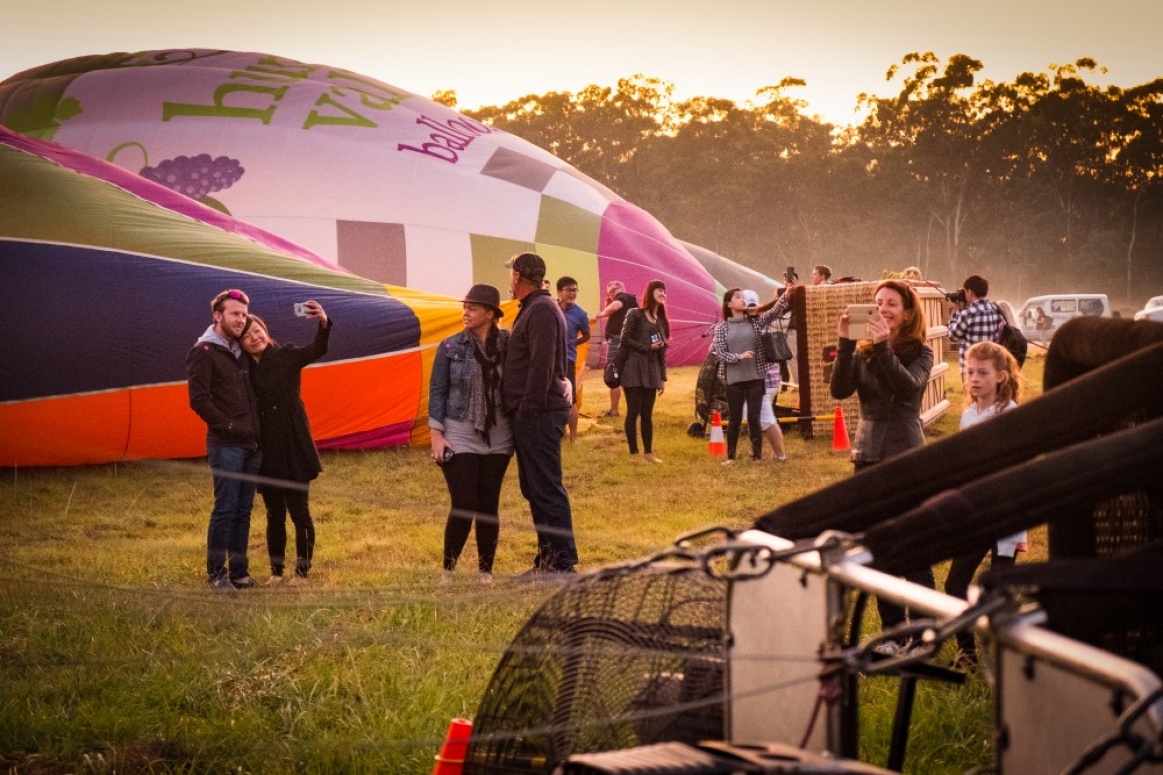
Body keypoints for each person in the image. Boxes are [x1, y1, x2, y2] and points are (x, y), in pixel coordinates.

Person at [830, 279, 935, 644]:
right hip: (867, 455)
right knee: (878, 548)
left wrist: (882, 347)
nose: (884, 310)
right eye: (878, 303)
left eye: (891, 303)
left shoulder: (921, 352)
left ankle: (922, 634)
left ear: (907, 312)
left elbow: (907, 388)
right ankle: (893, 633)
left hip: (905, 454)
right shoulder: (862, 350)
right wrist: (846, 342)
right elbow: (839, 390)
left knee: (913, 547)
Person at [944, 340, 1027, 666]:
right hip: (975, 513)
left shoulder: (1011, 415)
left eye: (983, 372)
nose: (974, 378)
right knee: (955, 584)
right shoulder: (967, 416)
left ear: (1002, 376)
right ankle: (968, 653)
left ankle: (1007, 658)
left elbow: (1019, 469)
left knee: (1000, 589)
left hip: (1005, 513)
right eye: (969, 372)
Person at [239, 302, 332, 587]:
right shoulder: (244, 371)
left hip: (292, 444)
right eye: (247, 336)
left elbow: (316, 349)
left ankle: (301, 574)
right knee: (274, 514)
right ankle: (276, 572)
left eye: (257, 331)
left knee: (299, 512)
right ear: (241, 343)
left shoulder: (286, 355)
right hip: (265, 450)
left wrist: (324, 323)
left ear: (264, 331)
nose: (255, 337)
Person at [429, 284, 513, 586]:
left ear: (490, 314)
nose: (466, 312)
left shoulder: (509, 344)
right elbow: (438, 391)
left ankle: (485, 572)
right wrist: (436, 435)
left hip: (500, 434)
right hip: (459, 431)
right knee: (464, 502)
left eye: (473, 308)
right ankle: (447, 572)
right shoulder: (450, 347)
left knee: (488, 504)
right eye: (465, 307)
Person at [501, 252, 579, 577]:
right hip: (535, 412)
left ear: (517, 276)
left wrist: (525, 409)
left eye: (511, 273)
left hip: (538, 414)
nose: (509, 278)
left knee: (546, 487)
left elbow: (542, 367)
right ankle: (547, 560)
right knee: (534, 488)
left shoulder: (543, 310)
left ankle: (561, 563)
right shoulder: (534, 308)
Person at [186, 288, 261, 591]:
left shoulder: (242, 352)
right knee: (226, 508)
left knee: (244, 510)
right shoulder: (204, 352)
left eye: (244, 314)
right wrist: (229, 427)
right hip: (226, 444)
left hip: (252, 445)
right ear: (217, 316)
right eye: (234, 314)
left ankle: (239, 572)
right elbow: (199, 400)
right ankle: (217, 574)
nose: (240, 319)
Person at [710, 283, 794, 465]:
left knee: (754, 418)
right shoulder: (721, 328)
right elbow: (720, 352)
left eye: (743, 297)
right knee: (735, 419)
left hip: (756, 378)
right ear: (729, 304)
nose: (743, 300)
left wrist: (786, 293)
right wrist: (738, 356)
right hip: (734, 379)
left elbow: (774, 312)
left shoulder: (755, 322)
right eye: (738, 297)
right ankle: (731, 457)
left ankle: (757, 456)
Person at [618, 280, 669, 463]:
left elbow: (662, 352)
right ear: (650, 292)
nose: (663, 293)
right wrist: (648, 347)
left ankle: (648, 453)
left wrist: (662, 377)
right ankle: (633, 454)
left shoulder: (659, 322)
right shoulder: (635, 314)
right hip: (633, 369)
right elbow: (625, 340)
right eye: (659, 290)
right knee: (633, 412)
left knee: (647, 413)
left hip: (652, 371)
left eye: (664, 291)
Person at [747, 290, 789, 462]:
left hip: (763, 380)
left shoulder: (755, 323)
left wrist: (787, 291)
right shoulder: (759, 320)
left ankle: (780, 455)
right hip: (768, 378)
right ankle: (756, 450)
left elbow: (778, 308)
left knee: (765, 418)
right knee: (755, 416)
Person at [594, 280, 638, 418]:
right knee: (626, 376)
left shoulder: (622, 297)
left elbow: (615, 306)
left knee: (613, 375)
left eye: (610, 292)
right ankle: (635, 409)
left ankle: (614, 411)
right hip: (628, 342)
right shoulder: (632, 302)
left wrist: (601, 314)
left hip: (617, 342)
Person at [947, 274, 1004, 380]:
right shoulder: (995, 309)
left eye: (964, 291)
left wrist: (955, 312)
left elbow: (953, 336)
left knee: (971, 396)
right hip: (990, 367)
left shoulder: (967, 314)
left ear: (970, 292)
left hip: (971, 369)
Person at [556, 276, 590, 444]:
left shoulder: (580, 314)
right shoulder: (550, 308)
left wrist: (572, 343)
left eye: (575, 290)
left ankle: (573, 438)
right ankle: (557, 433)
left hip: (568, 360)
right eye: (569, 290)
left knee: (571, 399)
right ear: (559, 292)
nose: (573, 293)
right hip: (549, 359)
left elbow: (587, 335)